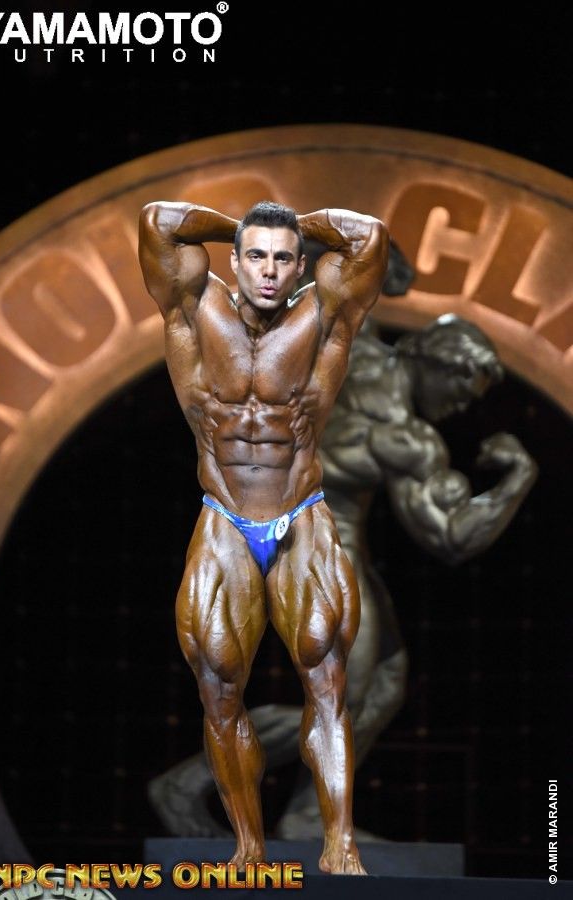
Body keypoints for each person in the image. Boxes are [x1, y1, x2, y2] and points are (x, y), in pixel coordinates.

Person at [147, 314, 537, 843]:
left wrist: (389, 279)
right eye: (464, 390)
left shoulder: (352, 349)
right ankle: (189, 783)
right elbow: (450, 538)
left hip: (257, 526)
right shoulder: (406, 439)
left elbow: (331, 297)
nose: (463, 407)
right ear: (442, 365)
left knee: (387, 680)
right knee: (342, 698)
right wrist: (518, 479)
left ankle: (306, 815)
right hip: (318, 546)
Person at [138, 199, 389, 874]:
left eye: (283, 258)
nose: (269, 270)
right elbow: (159, 221)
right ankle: (249, 848)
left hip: (300, 511)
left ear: (301, 265)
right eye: (255, 255)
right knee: (219, 684)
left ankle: (340, 844)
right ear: (234, 260)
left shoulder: (325, 314)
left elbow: (368, 236)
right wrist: (244, 223)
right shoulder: (194, 307)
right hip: (224, 516)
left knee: (327, 677)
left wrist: (290, 227)